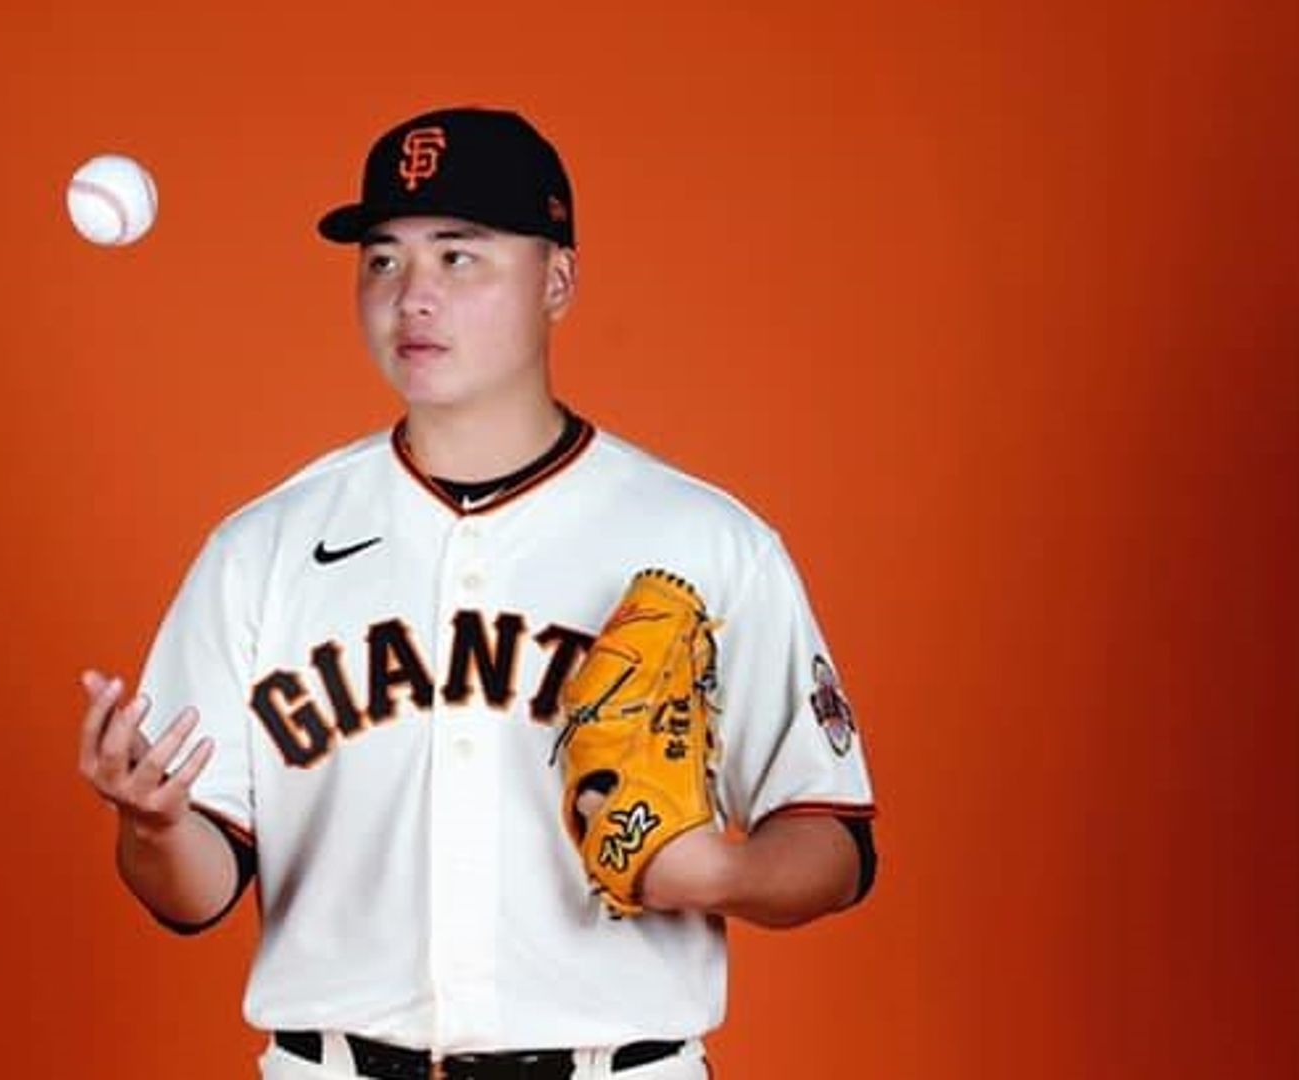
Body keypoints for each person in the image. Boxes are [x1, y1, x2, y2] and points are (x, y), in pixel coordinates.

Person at [77, 106, 878, 1080]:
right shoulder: (261, 549)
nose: (412, 296)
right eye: (383, 259)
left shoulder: (705, 540)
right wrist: (153, 825)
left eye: (458, 256)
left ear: (557, 280)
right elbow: (193, 893)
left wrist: (723, 872)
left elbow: (833, 840)